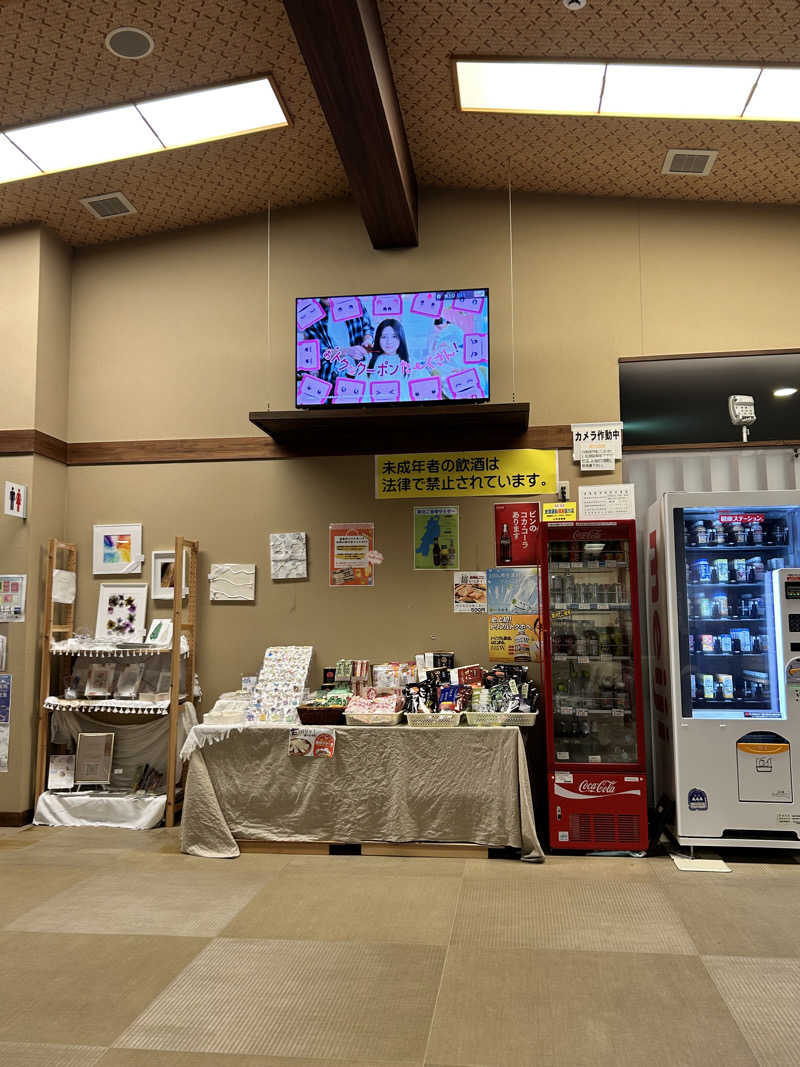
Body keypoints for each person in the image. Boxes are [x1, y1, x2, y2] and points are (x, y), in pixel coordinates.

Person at [300, 298, 373, 389]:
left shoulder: (355, 303)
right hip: (331, 378)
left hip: (360, 372)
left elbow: (368, 328)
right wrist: (346, 351)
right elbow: (315, 352)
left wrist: (367, 341)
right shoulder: (312, 314)